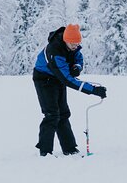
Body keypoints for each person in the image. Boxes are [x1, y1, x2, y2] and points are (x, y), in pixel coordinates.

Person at [33, 24, 107, 157]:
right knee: (52, 114)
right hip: (44, 80)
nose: (75, 46)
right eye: (72, 43)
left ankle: (70, 148)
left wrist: (77, 67)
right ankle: (45, 151)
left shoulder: (73, 46)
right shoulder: (55, 51)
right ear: (65, 40)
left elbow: (78, 57)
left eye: (77, 43)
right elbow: (68, 80)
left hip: (57, 78)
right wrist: (93, 90)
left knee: (63, 113)